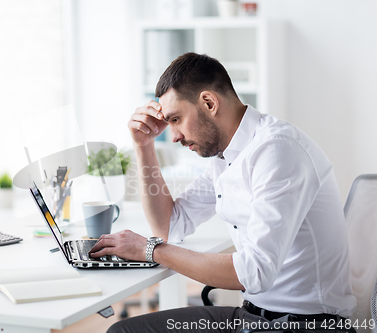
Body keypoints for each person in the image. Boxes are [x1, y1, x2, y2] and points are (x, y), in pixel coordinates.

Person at [89, 52, 356, 333]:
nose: (174, 135)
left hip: (306, 325)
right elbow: (169, 225)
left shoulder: (278, 150)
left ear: (208, 102)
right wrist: (143, 146)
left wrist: (150, 250)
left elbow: (254, 272)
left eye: (176, 119)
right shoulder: (226, 156)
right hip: (253, 316)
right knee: (124, 332)